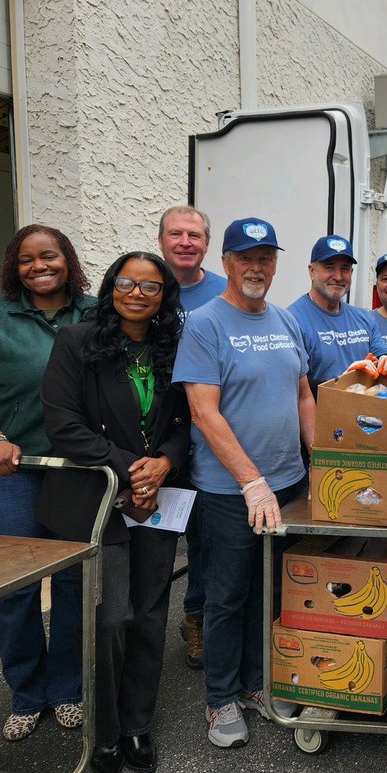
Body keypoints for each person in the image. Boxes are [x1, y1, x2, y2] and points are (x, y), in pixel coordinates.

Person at [39, 252, 191, 773]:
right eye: (127, 283)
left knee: (151, 614)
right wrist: (136, 472)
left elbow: (186, 418)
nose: (137, 294)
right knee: (111, 618)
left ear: (164, 297)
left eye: (151, 287)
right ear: (111, 286)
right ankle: (103, 734)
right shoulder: (77, 342)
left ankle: (136, 726)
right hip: (101, 498)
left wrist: (166, 462)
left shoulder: (174, 346)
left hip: (161, 497)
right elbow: (64, 427)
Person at [0, 225, 94, 741]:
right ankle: (27, 694)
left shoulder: (94, 313)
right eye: (27, 260)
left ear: (66, 259)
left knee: (75, 583)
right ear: (15, 267)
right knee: (18, 586)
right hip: (11, 470)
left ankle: (68, 688)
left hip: (77, 474)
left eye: (48, 256)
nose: (39, 267)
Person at [172, 217, 314, 748]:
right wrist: (251, 481)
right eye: (246, 258)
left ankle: (257, 683)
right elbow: (204, 414)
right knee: (228, 595)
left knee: (271, 589)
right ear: (227, 263)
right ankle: (220, 698)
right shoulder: (206, 324)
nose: (257, 267)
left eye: (266, 258)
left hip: (289, 482)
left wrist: (320, 459)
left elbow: (303, 394)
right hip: (231, 490)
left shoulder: (284, 320)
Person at [157, 204, 226, 671]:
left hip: (205, 430)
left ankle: (195, 616)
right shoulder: (145, 287)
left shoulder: (225, 293)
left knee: (202, 536)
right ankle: (139, 627)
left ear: (206, 244)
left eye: (194, 235)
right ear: (161, 240)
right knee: (153, 535)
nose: (185, 242)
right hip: (155, 431)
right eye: (176, 234)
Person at [287, 235, 387, 391]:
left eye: (344, 269)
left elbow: (384, 364)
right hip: (320, 414)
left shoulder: (364, 318)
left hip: (366, 413)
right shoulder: (292, 320)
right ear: (312, 271)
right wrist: (344, 381)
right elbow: (293, 384)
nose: (338, 276)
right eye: (329, 267)